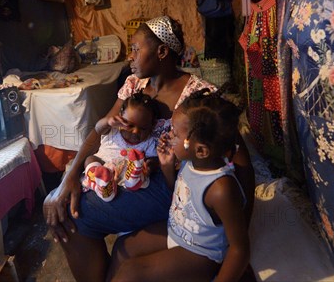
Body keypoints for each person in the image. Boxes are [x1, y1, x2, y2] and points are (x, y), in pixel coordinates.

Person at [42, 15, 251, 282]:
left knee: (73, 215)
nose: (130, 56)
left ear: (162, 51)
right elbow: (101, 130)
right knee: (59, 201)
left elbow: (240, 163)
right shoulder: (134, 85)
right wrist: (69, 176)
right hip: (129, 175)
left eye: (136, 49)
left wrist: (240, 232)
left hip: (166, 186)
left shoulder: (197, 98)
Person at [108, 90, 254, 282]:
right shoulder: (190, 162)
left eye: (175, 133)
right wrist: (167, 166)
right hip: (178, 233)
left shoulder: (221, 189)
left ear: (201, 150)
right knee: (122, 247)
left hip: (201, 254)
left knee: (131, 273)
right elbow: (180, 197)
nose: (168, 136)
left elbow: (239, 249)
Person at [82, 92, 160, 201]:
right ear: (120, 118)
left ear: (151, 126)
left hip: (127, 174)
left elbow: (154, 159)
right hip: (103, 167)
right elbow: (98, 128)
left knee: (139, 172)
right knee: (90, 159)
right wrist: (108, 122)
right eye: (130, 125)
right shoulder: (112, 130)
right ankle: (102, 184)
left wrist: (149, 167)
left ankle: (129, 182)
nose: (135, 131)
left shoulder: (148, 141)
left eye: (143, 129)